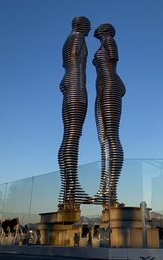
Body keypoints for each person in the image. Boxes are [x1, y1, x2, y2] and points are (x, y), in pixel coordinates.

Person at [58, 16, 91, 204]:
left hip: (68, 84)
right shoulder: (78, 39)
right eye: (88, 26)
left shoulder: (68, 40)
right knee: (73, 136)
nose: (89, 30)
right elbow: (77, 66)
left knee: (68, 136)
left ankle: (68, 189)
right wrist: (79, 90)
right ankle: (72, 187)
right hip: (76, 87)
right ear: (81, 25)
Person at [93, 23, 126, 205]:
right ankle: (104, 188)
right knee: (103, 138)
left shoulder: (110, 42)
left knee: (111, 136)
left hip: (109, 88)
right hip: (103, 89)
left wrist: (111, 88)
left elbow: (112, 68)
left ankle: (111, 189)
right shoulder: (103, 45)